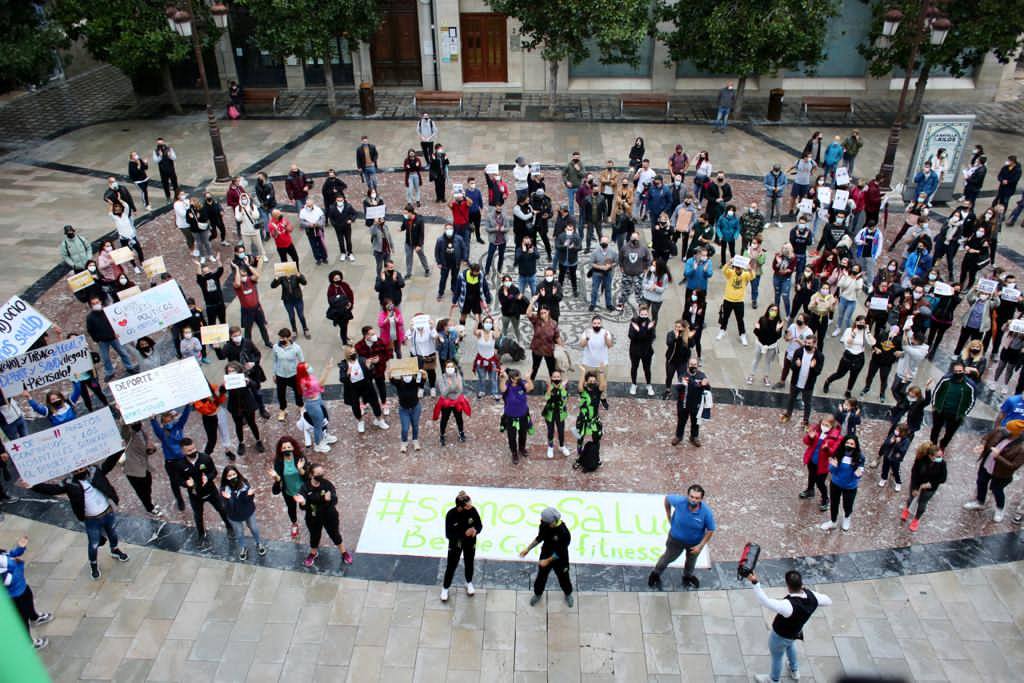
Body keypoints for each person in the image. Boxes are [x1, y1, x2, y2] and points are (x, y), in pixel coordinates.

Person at [29, 449, 130, 580]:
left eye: (81, 467)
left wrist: (118, 449)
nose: (79, 470)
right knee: (93, 544)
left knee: (113, 534)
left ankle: (115, 550)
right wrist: (32, 485)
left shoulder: (95, 472)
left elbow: (109, 464)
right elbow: (51, 489)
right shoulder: (69, 484)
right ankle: (93, 565)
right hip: (91, 520)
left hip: (107, 513)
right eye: (76, 470)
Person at [747, 569, 832, 683]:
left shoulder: (788, 605)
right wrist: (809, 593)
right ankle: (794, 670)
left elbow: (765, 601)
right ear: (801, 584)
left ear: (788, 585)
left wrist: (755, 582)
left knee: (777, 657)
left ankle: (773, 679)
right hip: (795, 632)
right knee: (790, 645)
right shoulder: (813, 597)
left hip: (779, 636)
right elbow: (828, 600)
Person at [648, 485, 715, 589]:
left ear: (701, 499)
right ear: (687, 496)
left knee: (691, 562)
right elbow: (667, 499)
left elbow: (711, 530)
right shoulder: (679, 501)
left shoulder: (706, 513)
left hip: (694, 543)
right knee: (667, 558)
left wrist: (700, 546)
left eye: (697, 498)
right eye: (691, 496)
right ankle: (655, 574)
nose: (693, 500)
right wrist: (668, 515)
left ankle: (687, 577)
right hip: (675, 540)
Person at [295, 463, 354, 567]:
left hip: (329, 515)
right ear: (311, 475)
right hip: (313, 517)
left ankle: (343, 552)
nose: (321, 475)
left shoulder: (327, 484)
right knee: (314, 536)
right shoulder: (305, 487)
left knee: (334, 534)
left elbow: (335, 500)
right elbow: (303, 506)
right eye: (318, 474)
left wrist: (329, 499)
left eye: (322, 473)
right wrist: (303, 502)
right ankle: (313, 553)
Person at [1, 536, 53, 650]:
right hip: (15, 595)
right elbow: (7, 581)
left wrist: (20, 548)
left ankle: (34, 617)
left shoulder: (1, 556)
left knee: (29, 601)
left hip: (22, 587)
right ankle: (29, 642)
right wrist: (18, 566)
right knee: (22, 618)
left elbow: (10, 554)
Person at [963, 424, 1024, 522]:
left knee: (997, 490)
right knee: (981, 482)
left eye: (1010, 430)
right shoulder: (1000, 431)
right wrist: (982, 446)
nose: (1006, 430)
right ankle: (980, 501)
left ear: (1017, 433)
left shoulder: (1021, 448)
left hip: (1001, 473)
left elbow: (1013, 466)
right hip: (987, 465)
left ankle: (999, 509)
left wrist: (997, 456)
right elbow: (986, 438)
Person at [175, 438, 230, 544]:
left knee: (221, 509)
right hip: (195, 495)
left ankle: (229, 526)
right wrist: (186, 483)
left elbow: (214, 472)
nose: (193, 452)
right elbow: (178, 480)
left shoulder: (205, 458)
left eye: (193, 449)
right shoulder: (180, 464)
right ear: (183, 451)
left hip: (210, 491)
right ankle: (201, 533)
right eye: (189, 451)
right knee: (198, 515)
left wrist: (208, 478)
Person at [520, 507, 574, 606]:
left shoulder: (564, 533)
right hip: (546, 553)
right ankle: (538, 594)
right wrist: (528, 549)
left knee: (564, 578)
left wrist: (547, 561)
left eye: (547, 523)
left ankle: (568, 593)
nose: (544, 524)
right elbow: (540, 537)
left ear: (554, 521)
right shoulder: (545, 525)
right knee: (541, 577)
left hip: (560, 558)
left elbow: (560, 552)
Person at [438, 489, 483, 603]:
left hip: (470, 542)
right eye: (468, 506)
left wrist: (475, 530)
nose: (470, 507)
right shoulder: (451, 515)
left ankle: (469, 582)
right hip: (456, 544)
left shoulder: (473, 510)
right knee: (451, 566)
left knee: (469, 562)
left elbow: (479, 524)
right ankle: (445, 588)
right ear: (460, 507)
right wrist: (464, 533)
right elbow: (449, 534)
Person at [85, 295, 138, 380]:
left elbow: (116, 321)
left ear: (100, 302)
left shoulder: (108, 311)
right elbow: (90, 330)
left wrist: (118, 332)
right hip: (102, 341)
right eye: (93, 303)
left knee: (123, 353)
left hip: (114, 338)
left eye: (97, 302)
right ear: (91, 305)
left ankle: (130, 367)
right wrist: (97, 339)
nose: (96, 304)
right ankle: (109, 372)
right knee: (105, 358)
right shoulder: (90, 317)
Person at [819, 434, 865, 532]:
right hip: (836, 484)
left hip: (850, 487)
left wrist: (858, 474)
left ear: (856, 445)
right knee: (834, 504)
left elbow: (859, 473)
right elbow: (831, 470)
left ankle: (847, 518)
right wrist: (833, 466)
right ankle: (833, 521)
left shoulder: (860, 457)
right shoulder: (839, 453)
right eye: (847, 443)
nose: (849, 445)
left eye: (852, 444)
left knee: (848, 505)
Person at [221, 466, 267, 560]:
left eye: (234, 474)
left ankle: (259, 543)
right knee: (239, 532)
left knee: (254, 528)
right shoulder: (224, 489)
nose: (233, 477)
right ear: (226, 477)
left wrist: (248, 495)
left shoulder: (244, 483)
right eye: (229, 476)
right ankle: (243, 547)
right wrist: (230, 499)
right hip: (234, 515)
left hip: (247, 511)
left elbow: (248, 500)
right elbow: (228, 506)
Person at [339, 347, 388, 433]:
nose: (354, 354)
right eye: (351, 353)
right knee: (355, 406)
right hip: (353, 388)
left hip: (366, 385)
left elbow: (372, 374)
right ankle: (360, 421)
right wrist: (347, 374)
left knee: (375, 402)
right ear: (347, 355)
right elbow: (342, 379)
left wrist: (369, 367)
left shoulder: (362, 360)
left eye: (354, 352)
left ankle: (379, 419)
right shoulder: (344, 365)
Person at [902, 441, 947, 531]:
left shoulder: (942, 463)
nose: (940, 458)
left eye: (941, 456)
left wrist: (930, 484)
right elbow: (914, 473)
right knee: (911, 498)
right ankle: (907, 509)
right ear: (930, 456)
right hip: (917, 485)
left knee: (922, 504)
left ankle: (916, 519)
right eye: (938, 456)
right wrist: (914, 488)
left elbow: (943, 478)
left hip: (929, 489)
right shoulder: (920, 460)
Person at [929, 362, 977, 448]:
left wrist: (964, 413)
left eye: (960, 371)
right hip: (940, 410)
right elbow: (936, 392)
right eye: (956, 371)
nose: (958, 373)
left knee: (949, 433)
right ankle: (933, 445)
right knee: (935, 429)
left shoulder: (970, 385)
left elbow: (972, 401)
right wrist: (934, 405)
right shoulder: (945, 380)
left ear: (964, 371)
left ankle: (942, 446)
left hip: (956, 415)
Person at [800, 416, 840, 511]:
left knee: (820, 482)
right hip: (812, 459)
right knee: (811, 476)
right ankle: (810, 490)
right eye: (823, 424)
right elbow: (806, 441)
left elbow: (833, 452)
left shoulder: (836, 437)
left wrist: (827, 448)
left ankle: (825, 498)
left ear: (832, 426)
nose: (824, 426)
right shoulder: (815, 430)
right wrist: (810, 437)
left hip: (823, 464)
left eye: (827, 425)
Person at [781, 335, 823, 425]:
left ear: (814, 344)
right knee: (791, 398)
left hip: (808, 385)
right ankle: (788, 414)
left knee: (807, 402)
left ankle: (805, 420)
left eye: (809, 343)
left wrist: (813, 367)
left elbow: (818, 372)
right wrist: (796, 365)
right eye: (806, 343)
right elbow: (792, 367)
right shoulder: (799, 352)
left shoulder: (819, 356)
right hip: (795, 382)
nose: (807, 345)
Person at [715, 259, 754, 345]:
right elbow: (724, 270)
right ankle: (722, 330)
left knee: (740, 319)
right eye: (736, 268)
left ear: (742, 269)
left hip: (739, 301)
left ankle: (742, 335)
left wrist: (750, 269)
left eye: (739, 269)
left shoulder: (745, 275)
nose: (738, 270)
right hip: (728, 299)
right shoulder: (731, 273)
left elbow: (752, 276)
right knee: (725, 317)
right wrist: (729, 262)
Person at [671, 357, 709, 447]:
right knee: (681, 421)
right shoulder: (683, 375)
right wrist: (682, 384)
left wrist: (706, 383)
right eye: (691, 364)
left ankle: (694, 436)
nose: (693, 366)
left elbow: (707, 388)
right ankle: (679, 436)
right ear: (688, 365)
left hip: (696, 404)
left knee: (695, 422)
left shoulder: (701, 375)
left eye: (695, 364)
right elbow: (677, 388)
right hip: (683, 404)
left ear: (697, 366)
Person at [500, 368, 534, 463]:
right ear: (511, 379)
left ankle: (522, 448)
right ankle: (514, 453)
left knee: (523, 434)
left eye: (519, 377)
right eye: (516, 378)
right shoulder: (507, 386)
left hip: (523, 416)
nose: (519, 379)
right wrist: (503, 379)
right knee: (512, 436)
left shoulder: (522, 384)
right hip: (510, 417)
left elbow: (530, 388)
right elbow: (502, 388)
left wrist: (528, 379)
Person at [433, 359, 470, 446]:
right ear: (445, 368)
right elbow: (443, 393)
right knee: (445, 419)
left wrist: (450, 387)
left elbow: (460, 390)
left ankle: (461, 432)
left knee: (459, 418)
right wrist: (452, 387)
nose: (450, 368)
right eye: (448, 367)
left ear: (454, 367)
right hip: (446, 403)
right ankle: (442, 434)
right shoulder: (441, 378)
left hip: (457, 401)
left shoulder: (458, 376)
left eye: (451, 366)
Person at [271, 328, 304, 421]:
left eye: (283, 338)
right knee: (280, 393)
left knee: (298, 392)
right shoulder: (275, 347)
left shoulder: (296, 348)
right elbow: (274, 361)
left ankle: (300, 406)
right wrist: (274, 373)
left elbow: (302, 361)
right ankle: (282, 409)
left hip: (293, 374)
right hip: (280, 375)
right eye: (280, 338)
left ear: (289, 337)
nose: (281, 340)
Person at [391, 366, 426, 452]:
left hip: (415, 408)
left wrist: (423, 372)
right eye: (405, 374)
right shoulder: (399, 383)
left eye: (409, 374)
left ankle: (415, 440)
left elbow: (424, 379)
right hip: (404, 409)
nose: (407, 376)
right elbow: (390, 377)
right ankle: (404, 442)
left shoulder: (415, 381)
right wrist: (392, 370)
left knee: (415, 426)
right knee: (405, 428)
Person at [749, 305, 785, 386]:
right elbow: (756, 332)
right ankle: (751, 375)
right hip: (760, 343)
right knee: (756, 360)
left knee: (768, 362)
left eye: (776, 310)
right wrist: (758, 329)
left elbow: (777, 337)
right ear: (768, 310)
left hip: (771, 345)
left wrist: (778, 330)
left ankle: (766, 377)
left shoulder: (778, 322)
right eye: (772, 309)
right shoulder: (762, 319)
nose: (774, 311)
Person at [627, 303, 657, 396]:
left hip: (646, 351)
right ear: (639, 313)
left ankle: (648, 385)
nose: (644, 316)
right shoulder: (634, 322)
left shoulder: (650, 324)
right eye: (642, 314)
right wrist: (645, 330)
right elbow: (631, 336)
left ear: (648, 314)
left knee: (647, 369)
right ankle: (634, 384)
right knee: (634, 368)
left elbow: (652, 337)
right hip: (635, 351)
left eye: (645, 314)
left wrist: (640, 331)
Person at [618, 231, 652, 310]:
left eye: (636, 238)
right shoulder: (624, 248)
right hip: (627, 273)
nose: (634, 239)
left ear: (638, 238)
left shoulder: (644, 249)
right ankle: (621, 303)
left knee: (639, 290)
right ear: (630, 238)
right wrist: (621, 267)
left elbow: (648, 259)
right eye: (633, 238)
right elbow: (620, 259)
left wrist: (646, 269)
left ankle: (640, 304)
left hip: (639, 274)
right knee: (624, 289)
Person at [435, 224, 468, 302]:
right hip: (445, 264)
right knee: (443, 279)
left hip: (455, 263)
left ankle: (454, 289)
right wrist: (438, 262)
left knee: (455, 277)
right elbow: (437, 252)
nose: (449, 230)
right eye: (447, 229)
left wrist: (464, 259)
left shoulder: (459, 239)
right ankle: (440, 292)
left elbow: (464, 248)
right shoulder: (440, 240)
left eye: (450, 229)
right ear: (445, 230)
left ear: (453, 230)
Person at [527, 305, 559, 382]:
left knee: (551, 369)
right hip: (537, 349)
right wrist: (532, 301)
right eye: (541, 313)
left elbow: (557, 337)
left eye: (545, 312)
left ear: (548, 312)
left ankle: (554, 385)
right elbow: (528, 313)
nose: (543, 314)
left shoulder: (553, 323)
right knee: (535, 368)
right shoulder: (536, 320)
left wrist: (562, 348)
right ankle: (530, 383)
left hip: (549, 349)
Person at [473, 316, 501, 399]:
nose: (488, 324)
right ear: (483, 323)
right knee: (482, 377)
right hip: (481, 359)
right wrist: (477, 321)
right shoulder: (480, 332)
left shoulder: (493, 333)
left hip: (492, 359)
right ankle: (482, 390)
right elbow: (474, 331)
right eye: (486, 322)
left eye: (490, 322)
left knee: (493, 378)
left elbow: (497, 335)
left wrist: (495, 323)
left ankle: (494, 392)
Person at [327, 192, 357, 262]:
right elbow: (331, 218)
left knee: (348, 241)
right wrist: (334, 225)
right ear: (336, 200)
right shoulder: (332, 207)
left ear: (343, 200)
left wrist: (351, 220)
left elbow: (355, 213)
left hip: (347, 227)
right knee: (340, 241)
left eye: (341, 200)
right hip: (338, 228)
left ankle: (350, 253)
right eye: (338, 200)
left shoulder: (348, 206)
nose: (340, 202)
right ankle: (343, 253)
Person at [298, 198, 328, 265]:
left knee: (321, 244)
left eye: (311, 205)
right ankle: (318, 258)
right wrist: (309, 224)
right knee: (313, 245)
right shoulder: (303, 211)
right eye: (308, 205)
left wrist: (318, 223)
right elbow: (301, 222)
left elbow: (322, 218)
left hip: (319, 229)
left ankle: (324, 257)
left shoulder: (318, 209)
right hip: (310, 231)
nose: (309, 207)